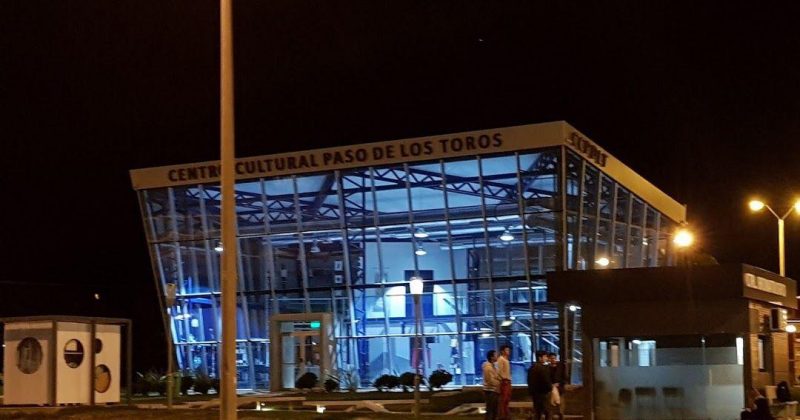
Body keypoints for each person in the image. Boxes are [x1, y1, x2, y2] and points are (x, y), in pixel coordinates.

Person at [527, 350, 552, 420]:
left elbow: (529, 381)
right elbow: (546, 381)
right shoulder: (543, 368)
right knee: (547, 411)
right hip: (543, 393)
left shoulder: (531, 368)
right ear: (540, 358)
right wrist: (550, 388)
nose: (546, 358)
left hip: (535, 394)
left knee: (537, 412)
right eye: (545, 356)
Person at [547, 352, 566, 419]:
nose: (553, 360)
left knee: (561, 407)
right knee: (551, 407)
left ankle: (561, 417)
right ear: (549, 359)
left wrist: (559, 383)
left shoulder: (560, 367)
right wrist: (551, 385)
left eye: (554, 358)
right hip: (551, 390)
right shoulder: (547, 368)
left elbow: (564, 378)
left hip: (560, 389)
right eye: (552, 358)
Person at [482, 350, 500, 420]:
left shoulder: (493, 366)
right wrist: (499, 383)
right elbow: (490, 380)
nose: (497, 357)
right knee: (490, 410)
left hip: (494, 390)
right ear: (491, 357)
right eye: (495, 355)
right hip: (490, 390)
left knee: (494, 410)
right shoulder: (488, 367)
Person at [496, 344, 512, 420]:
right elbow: (499, 371)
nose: (508, 351)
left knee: (507, 399)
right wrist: (503, 379)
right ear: (502, 351)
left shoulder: (506, 360)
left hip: (508, 381)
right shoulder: (501, 359)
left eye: (508, 350)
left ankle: (506, 415)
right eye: (506, 350)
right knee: (503, 400)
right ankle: (502, 416)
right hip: (504, 381)